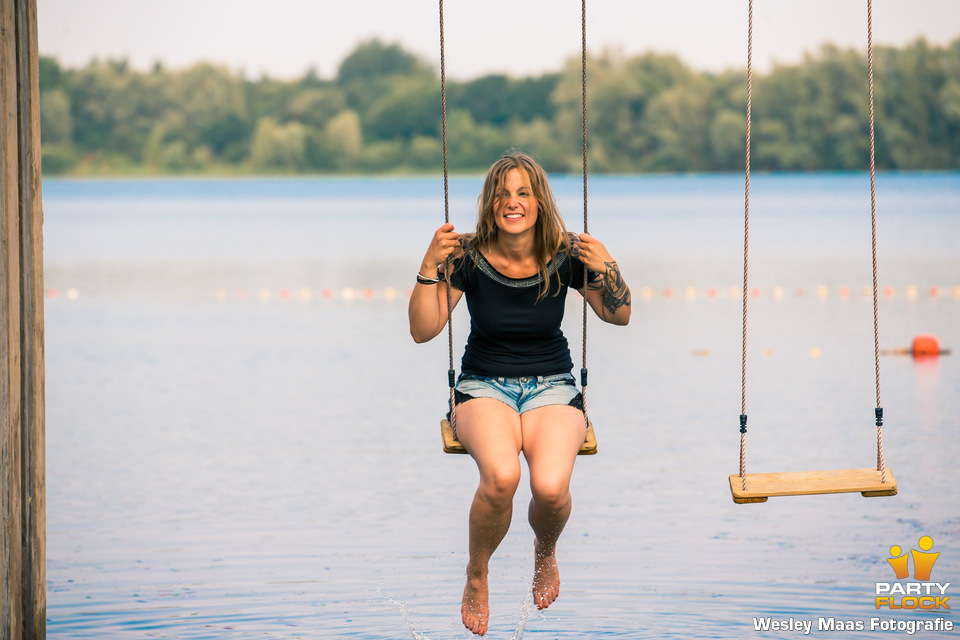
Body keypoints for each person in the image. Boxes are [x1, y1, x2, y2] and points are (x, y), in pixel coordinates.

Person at [408, 152, 631, 636]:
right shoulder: (465, 257)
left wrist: (608, 265)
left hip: (553, 385)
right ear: (490, 203)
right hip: (481, 386)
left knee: (551, 489)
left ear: (539, 201)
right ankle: (477, 573)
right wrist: (429, 264)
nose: (513, 202)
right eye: (503, 194)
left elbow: (619, 314)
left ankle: (545, 551)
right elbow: (423, 331)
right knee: (503, 476)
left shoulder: (565, 253)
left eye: (523, 192)